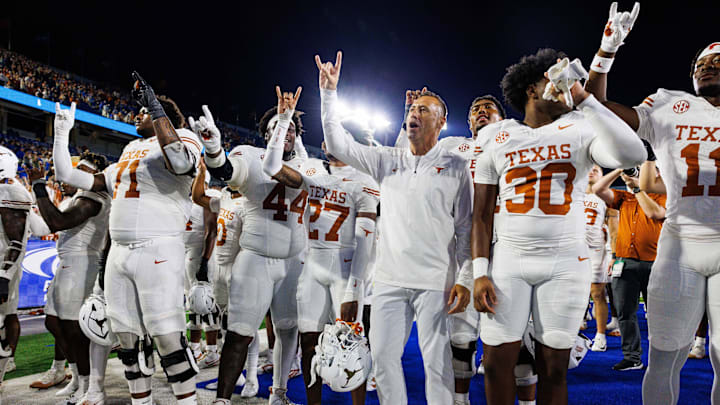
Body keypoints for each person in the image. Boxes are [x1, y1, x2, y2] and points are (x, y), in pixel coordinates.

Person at [471, 48, 646, 405]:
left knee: (554, 369)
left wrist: (586, 100)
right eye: (556, 79)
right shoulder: (496, 135)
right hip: (508, 260)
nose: (566, 86)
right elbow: (481, 213)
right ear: (533, 89)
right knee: (494, 364)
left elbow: (634, 154)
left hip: (566, 262)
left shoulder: (581, 127)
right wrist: (478, 271)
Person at [318, 50, 473, 404]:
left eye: (424, 109)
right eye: (412, 109)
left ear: (441, 121)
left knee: (437, 366)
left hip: (436, 281)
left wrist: (463, 278)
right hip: (388, 280)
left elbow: (465, 229)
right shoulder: (388, 160)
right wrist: (329, 94)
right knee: (383, 361)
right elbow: (339, 143)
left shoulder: (456, 166)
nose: (414, 113)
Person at [584, 4, 720, 398]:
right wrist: (606, 51)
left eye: (716, 61)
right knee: (665, 357)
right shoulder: (669, 105)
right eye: (700, 63)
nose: (705, 67)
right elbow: (596, 108)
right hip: (679, 243)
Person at [52, 72, 203, 405]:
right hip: (119, 253)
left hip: (158, 248)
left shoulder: (186, 138)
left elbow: (179, 161)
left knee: (167, 338)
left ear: (162, 115)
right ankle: (141, 401)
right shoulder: (129, 150)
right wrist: (61, 132)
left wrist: (156, 105)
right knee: (127, 340)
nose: (136, 114)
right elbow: (68, 176)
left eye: (144, 110)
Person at [194, 88, 309, 405]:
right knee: (240, 332)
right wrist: (214, 149)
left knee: (288, 329)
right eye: (275, 128)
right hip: (256, 257)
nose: (283, 133)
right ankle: (222, 400)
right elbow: (227, 173)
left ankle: (279, 393)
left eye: (289, 128)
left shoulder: (308, 164)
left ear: (296, 135)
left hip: (294, 261)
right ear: (266, 135)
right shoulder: (250, 154)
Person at [263, 128, 379, 405]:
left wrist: (354, 286)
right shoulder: (313, 171)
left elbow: (366, 238)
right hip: (313, 265)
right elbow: (271, 166)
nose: (329, 141)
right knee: (309, 345)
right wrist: (282, 120)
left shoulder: (364, 180)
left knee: (352, 345)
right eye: (326, 135)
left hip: (345, 269)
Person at [26, 152, 111, 403]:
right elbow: (44, 226)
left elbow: (57, 222)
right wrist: (30, 200)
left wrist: (39, 186)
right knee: (53, 322)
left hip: (83, 264)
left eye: (77, 169)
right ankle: (75, 377)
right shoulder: (73, 199)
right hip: (67, 264)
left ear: (90, 176)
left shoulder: (94, 198)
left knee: (75, 329)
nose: (65, 175)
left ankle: (88, 385)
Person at [191, 162, 259, 398]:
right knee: (219, 323)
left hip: (238, 269)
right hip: (217, 267)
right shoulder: (224, 198)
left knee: (244, 326)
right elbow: (198, 197)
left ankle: (251, 376)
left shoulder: (252, 202)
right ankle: (231, 371)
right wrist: (201, 172)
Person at [591, 166, 665, 370]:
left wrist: (637, 189)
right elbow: (598, 189)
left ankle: (662, 360)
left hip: (656, 263)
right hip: (624, 262)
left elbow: (654, 212)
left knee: (659, 315)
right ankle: (632, 357)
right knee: (625, 312)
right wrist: (620, 169)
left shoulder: (664, 194)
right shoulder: (624, 196)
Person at [0, 145, 32, 391]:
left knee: (7, 314)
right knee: (7, 314)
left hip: (3, 264)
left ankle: (6, 358)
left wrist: (4, 274)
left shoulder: (10, 190)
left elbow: (16, 240)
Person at [184, 173, 221, 368]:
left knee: (206, 302)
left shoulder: (208, 194)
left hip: (201, 253)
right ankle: (195, 347)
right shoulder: (185, 196)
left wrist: (205, 261)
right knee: (193, 304)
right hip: (187, 253)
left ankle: (212, 350)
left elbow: (211, 230)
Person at [584, 165, 611, 352]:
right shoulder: (572, 193)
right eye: (589, 168)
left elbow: (613, 226)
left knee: (597, 293)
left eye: (597, 170)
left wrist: (612, 252)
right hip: (574, 249)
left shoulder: (606, 196)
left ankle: (600, 335)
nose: (592, 171)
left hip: (596, 250)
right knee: (571, 291)